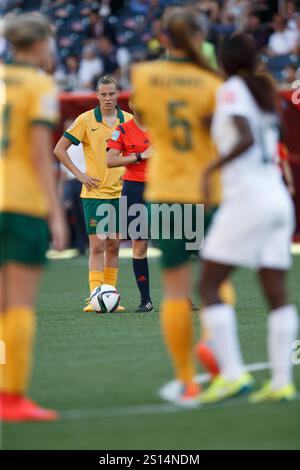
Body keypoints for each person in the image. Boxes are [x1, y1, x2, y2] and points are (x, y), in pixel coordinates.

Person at [131, 7, 235, 404]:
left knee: (175, 290)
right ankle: (214, 346)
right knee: (217, 281)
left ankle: (185, 378)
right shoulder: (211, 80)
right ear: (197, 36)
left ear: (163, 36)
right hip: (208, 191)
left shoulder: (143, 75)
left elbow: (146, 119)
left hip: (164, 189)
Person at [199, 34, 299, 404]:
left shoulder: (232, 89)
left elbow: (241, 136)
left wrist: (212, 168)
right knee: (276, 294)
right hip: (277, 199)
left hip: (248, 199)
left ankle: (233, 375)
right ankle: (281, 383)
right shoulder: (263, 92)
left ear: (223, 62)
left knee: (209, 285)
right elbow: (272, 133)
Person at [0, 13, 67, 421]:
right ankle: (13, 398)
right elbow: (42, 155)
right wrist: (56, 213)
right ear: (40, 44)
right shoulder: (40, 85)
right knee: (20, 306)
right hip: (22, 202)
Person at [54, 75, 132, 312]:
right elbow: (59, 149)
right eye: (103, 94)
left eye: (111, 93)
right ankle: (94, 297)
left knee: (115, 245)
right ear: (97, 95)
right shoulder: (85, 120)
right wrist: (80, 175)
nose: (107, 98)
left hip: (121, 193)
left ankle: (110, 297)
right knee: (97, 245)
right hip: (95, 194)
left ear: (118, 94)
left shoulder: (128, 121)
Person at [106, 103, 153, 312]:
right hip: (134, 189)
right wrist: (141, 156)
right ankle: (146, 300)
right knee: (140, 245)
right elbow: (111, 160)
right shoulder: (123, 129)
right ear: (132, 104)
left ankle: (183, 298)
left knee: (175, 242)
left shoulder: (163, 126)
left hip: (163, 187)